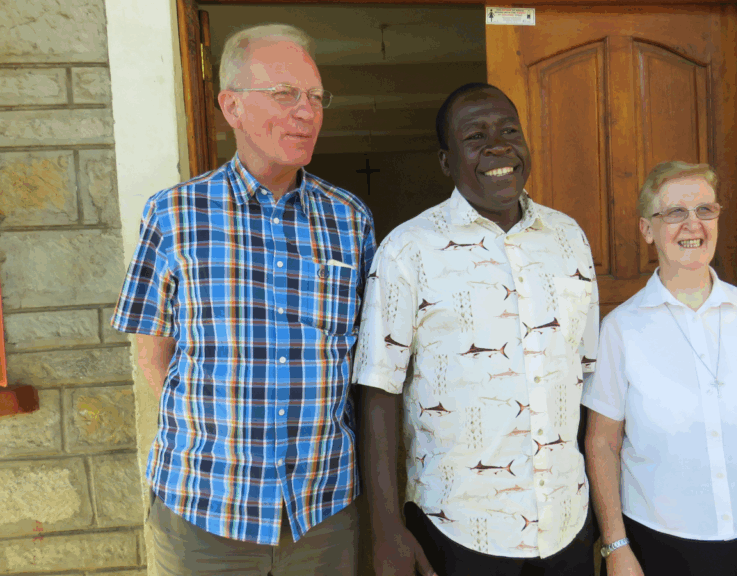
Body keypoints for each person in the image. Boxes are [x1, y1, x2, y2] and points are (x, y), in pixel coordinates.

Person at [111, 23, 374, 576]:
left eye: (315, 96)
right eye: (285, 94)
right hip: (204, 512)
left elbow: (366, 360)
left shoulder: (350, 220)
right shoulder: (174, 215)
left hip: (321, 512)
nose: (307, 112)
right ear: (231, 106)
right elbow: (152, 356)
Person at [355, 82, 599, 576]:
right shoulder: (408, 252)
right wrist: (385, 531)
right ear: (446, 162)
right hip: (458, 528)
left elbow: (588, 376)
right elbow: (377, 390)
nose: (498, 146)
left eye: (510, 131)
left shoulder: (568, 238)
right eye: (475, 137)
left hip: (566, 522)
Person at [583, 161, 737, 576]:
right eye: (675, 212)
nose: (692, 224)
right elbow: (602, 444)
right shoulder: (621, 330)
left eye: (705, 210)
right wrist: (616, 546)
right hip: (664, 543)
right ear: (647, 230)